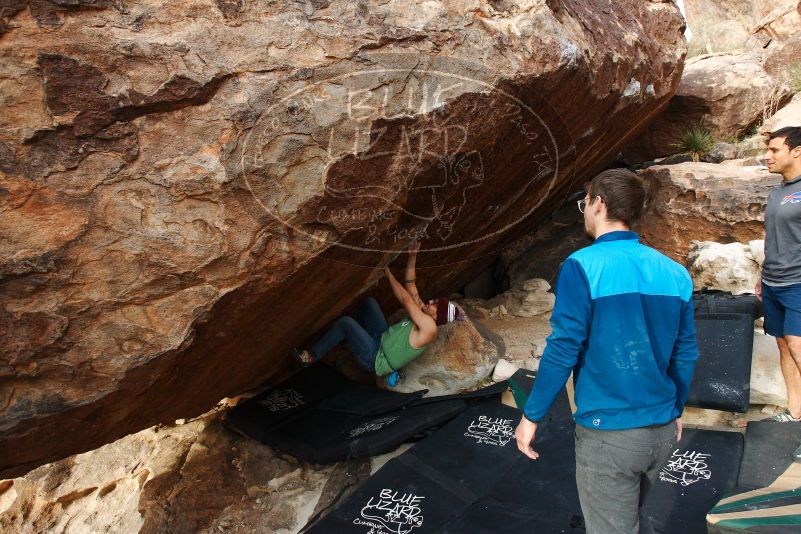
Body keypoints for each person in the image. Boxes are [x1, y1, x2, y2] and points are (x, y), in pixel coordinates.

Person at [514, 169, 699, 534]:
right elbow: (686, 352)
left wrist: (532, 415)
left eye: (585, 203)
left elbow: (563, 347)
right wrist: (675, 408)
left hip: (610, 434)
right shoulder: (675, 272)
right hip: (662, 431)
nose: (584, 211)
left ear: (598, 204)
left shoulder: (582, 266)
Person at [291, 240, 460, 381]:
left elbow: (407, 300)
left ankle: (311, 356)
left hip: (376, 358)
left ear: (437, 315)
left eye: (434, 304)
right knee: (369, 304)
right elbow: (410, 284)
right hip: (381, 337)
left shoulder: (430, 328)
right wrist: (412, 255)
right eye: (433, 300)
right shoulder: (424, 312)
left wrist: (388, 274)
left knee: (345, 323)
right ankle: (346, 339)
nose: (430, 301)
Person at [756, 127, 801, 451]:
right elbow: (774, 238)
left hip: (798, 283)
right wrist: (763, 274)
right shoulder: (776, 193)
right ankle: (795, 410)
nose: (767, 156)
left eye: (775, 150)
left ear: (797, 151)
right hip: (773, 281)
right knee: (784, 346)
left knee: (798, 347)